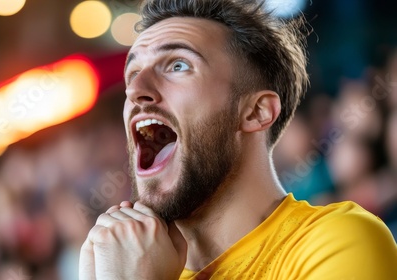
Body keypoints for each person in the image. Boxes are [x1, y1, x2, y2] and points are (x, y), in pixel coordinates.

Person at [79, 0, 397, 279]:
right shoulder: (126, 266)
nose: (135, 91)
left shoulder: (337, 242)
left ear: (256, 112)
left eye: (178, 65)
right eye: (132, 74)